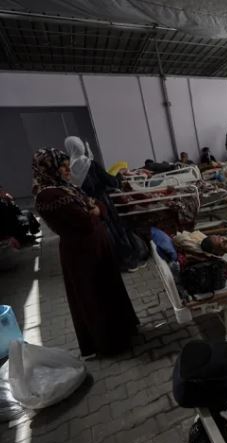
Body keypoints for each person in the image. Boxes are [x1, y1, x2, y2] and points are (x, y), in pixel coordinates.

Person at [32, 148, 138, 357]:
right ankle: (110, 344)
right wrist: (95, 211)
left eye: (67, 165)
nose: (67, 170)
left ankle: (123, 332)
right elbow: (85, 221)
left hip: (94, 247)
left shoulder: (64, 188)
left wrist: (96, 209)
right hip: (81, 254)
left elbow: (96, 205)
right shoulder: (48, 196)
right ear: (49, 169)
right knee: (95, 296)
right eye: (62, 167)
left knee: (108, 290)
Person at [65, 136, 147, 272]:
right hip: (103, 202)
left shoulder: (70, 169)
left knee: (104, 233)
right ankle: (129, 261)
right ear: (80, 146)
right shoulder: (90, 164)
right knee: (116, 229)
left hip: (88, 205)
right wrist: (119, 176)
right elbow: (110, 181)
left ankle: (115, 263)